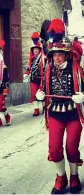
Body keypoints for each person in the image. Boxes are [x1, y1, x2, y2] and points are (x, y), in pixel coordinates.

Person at [36, 18, 83, 194]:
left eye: (60, 54)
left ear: (66, 54)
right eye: (54, 54)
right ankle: (61, 176)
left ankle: (74, 176)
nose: (57, 57)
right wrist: (40, 95)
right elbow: (43, 87)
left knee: (71, 147)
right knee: (54, 149)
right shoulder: (48, 68)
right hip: (55, 113)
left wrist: (83, 96)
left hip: (73, 114)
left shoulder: (76, 67)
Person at [23, 32, 46, 116]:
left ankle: (44, 107)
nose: (35, 50)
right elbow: (29, 68)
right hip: (33, 79)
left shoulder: (43, 58)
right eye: (34, 49)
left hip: (41, 80)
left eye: (37, 49)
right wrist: (26, 73)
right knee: (33, 95)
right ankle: (36, 109)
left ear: (39, 50)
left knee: (42, 95)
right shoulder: (32, 59)